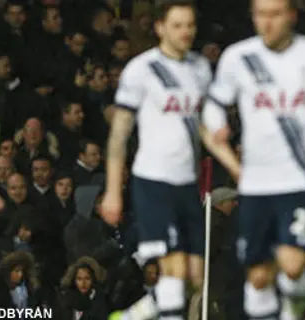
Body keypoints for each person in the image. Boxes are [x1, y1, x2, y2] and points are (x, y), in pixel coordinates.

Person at [202, 0, 305, 317]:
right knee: (258, 276)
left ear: (292, 16)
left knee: (293, 265)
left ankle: (293, 311)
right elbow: (214, 103)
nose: (267, 22)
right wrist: (217, 125)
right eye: (260, 14)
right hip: (255, 183)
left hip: (298, 179)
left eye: (275, 14)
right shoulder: (238, 57)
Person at [101, 1, 213, 319]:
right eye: (177, 25)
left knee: (194, 278)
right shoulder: (141, 70)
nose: (185, 31)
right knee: (173, 270)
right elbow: (119, 134)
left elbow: (200, 130)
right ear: (160, 27)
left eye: (190, 24)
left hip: (186, 185)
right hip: (153, 181)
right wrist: (112, 190)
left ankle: (133, 316)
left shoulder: (200, 69)